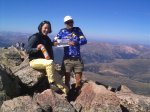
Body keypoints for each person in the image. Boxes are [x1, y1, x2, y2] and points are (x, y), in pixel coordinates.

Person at [27, 20, 68, 94]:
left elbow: (52, 43)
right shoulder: (35, 37)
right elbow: (27, 49)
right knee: (50, 63)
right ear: (40, 27)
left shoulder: (46, 38)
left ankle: (66, 93)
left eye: (48, 28)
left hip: (45, 62)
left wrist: (66, 42)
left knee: (59, 79)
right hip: (34, 61)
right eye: (45, 28)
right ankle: (51, 84)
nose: (46, 30)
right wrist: (37, 48)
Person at [54, 16, 87, 91]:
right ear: (65, 23)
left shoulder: (77, 29)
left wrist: (76, 42)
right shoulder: (62, 31)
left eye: (71, 21)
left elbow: (84, 40)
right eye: (67, 22)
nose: (70, 23)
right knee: (67, 80)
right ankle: (68, 96)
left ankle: (76, 95)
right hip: (67, 59)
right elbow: (54, 42)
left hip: (77, 59)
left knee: (78, 81)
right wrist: (67, 42)